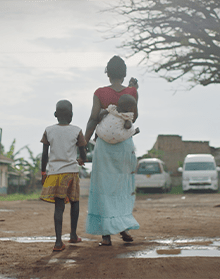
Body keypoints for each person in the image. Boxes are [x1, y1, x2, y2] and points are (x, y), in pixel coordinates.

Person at [84, 55, 140, 246]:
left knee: (103, 189)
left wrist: (84, 142)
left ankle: (105, 236)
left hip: (104, 146)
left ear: (107, 73)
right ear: (124, 74)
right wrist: (135, 92)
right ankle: (123, 228)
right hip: (124, 146)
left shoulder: (99, 92)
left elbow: (93, 119)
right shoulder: (132, 91)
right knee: (121, 188)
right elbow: (134, 117)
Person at [39, 99, 87, 252]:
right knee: (75, 202)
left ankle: (58, 242)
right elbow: (83, 154)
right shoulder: (77, 130)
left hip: (54, 173)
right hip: (71, 173)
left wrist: (43, 172)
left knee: (59, 207)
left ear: (55, 114)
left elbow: (44, 155)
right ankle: (73, 235)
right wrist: (81, 160)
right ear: (71, 115)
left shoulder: (49, 130)